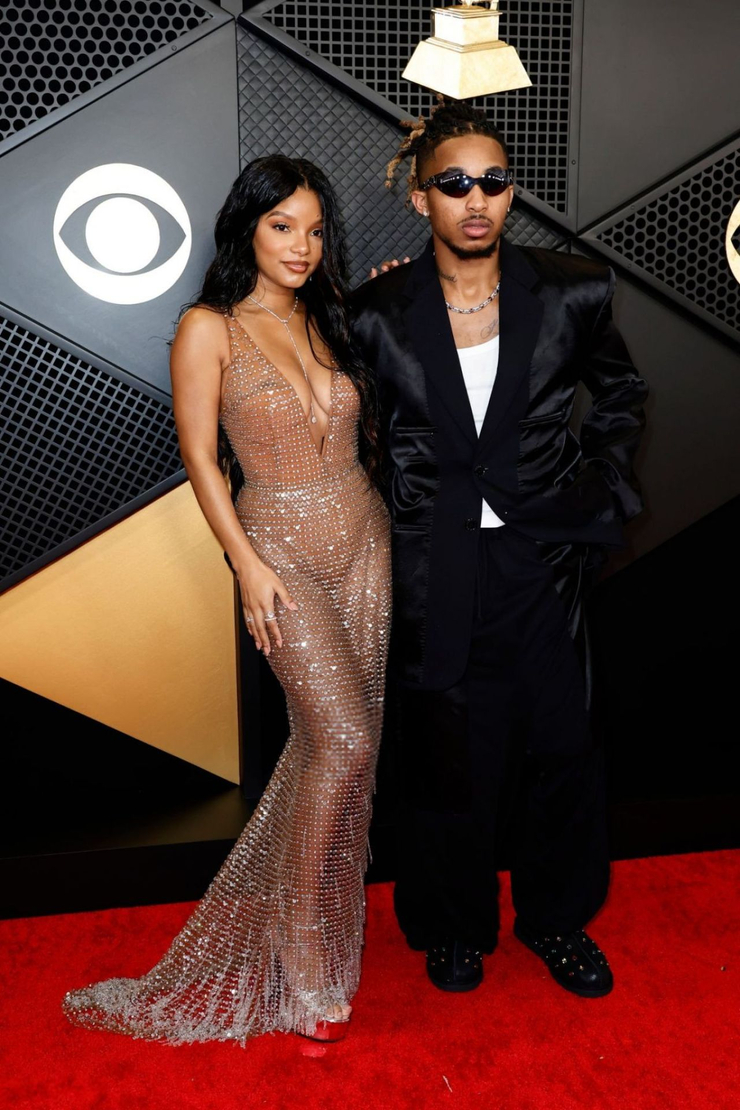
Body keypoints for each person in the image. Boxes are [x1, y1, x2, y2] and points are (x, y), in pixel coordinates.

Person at [63, 155, 391, 1044]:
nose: (301, 245)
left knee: (340, 748)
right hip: (277, 547)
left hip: (365, 540)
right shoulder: (208, 327)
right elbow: (201, 458)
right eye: (283, 226)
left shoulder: (330, 316)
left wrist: (390, 288)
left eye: (315, 230)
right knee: (344, 738)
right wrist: (244, 564)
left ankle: (301, 916)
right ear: (247, 226)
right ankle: (298, 938)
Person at [351, 102, 648, 997]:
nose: (476, 199)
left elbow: (622, 393)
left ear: (511, 192)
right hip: (433, 564)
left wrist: (599, 490)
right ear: (420, 198)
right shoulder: (375, 311)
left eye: (493, 181)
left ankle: (556, 920)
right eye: (454, 183)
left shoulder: (572, 289)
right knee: (447, 757)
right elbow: (351, 431)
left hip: (542, 558)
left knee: (563, 747)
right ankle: (454, 925)